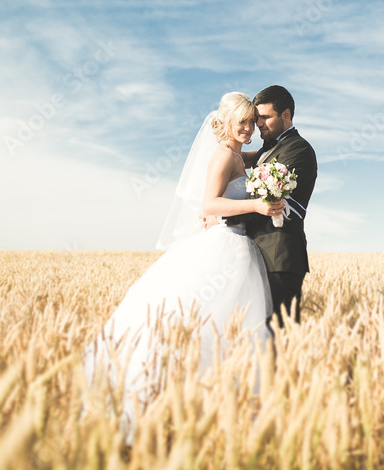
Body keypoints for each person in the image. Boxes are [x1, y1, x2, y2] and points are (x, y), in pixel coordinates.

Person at [81, 92, 283, 440]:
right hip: (225, 242)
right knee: (209, 316)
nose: (249, 129)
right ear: (226, 124)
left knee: (233, 321)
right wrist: (257, 206)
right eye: (243, 123)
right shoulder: (222, 155)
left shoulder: (236, 153)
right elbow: (209, 204)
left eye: (253, 122)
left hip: (237, 244)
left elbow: (262, 157)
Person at [239, 85, 318, 327]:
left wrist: (223, 216)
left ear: (286, 115)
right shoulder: (268, 148)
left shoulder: (299, 149)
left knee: (278, 337)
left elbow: (276, 204)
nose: (258, 124)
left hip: (280, 259)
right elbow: (235, 158)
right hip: (256, 256)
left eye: (265, 117)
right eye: (256, 118)